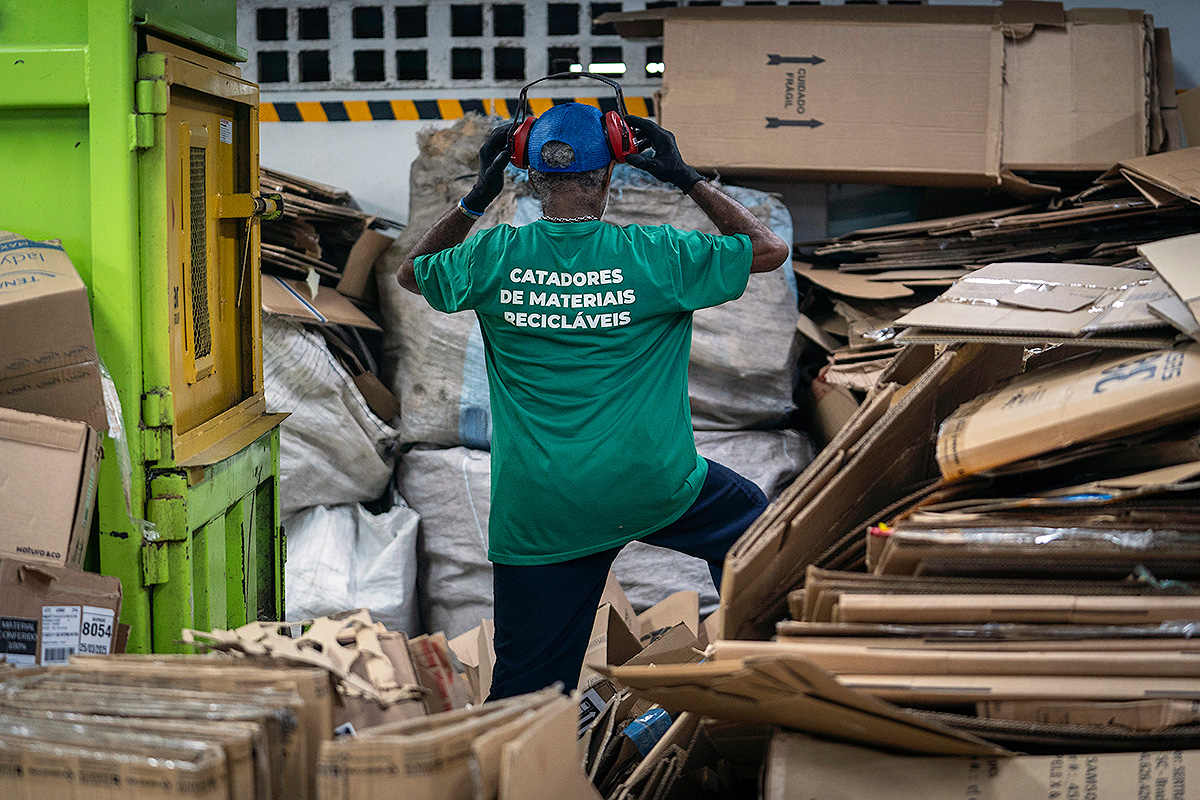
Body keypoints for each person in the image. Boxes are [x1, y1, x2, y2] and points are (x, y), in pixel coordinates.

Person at [397, 100, 789, 700]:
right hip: (650, 484)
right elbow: (766, 249)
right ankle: (755, 662)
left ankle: (520, 766)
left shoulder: (494, 255)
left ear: (528, 174)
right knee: (755, 530)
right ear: (608, 175)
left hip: (541, 507)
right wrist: (682, 176)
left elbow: (413, 272)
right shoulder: (654, 255)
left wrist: (478, 194)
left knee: (528, 687)